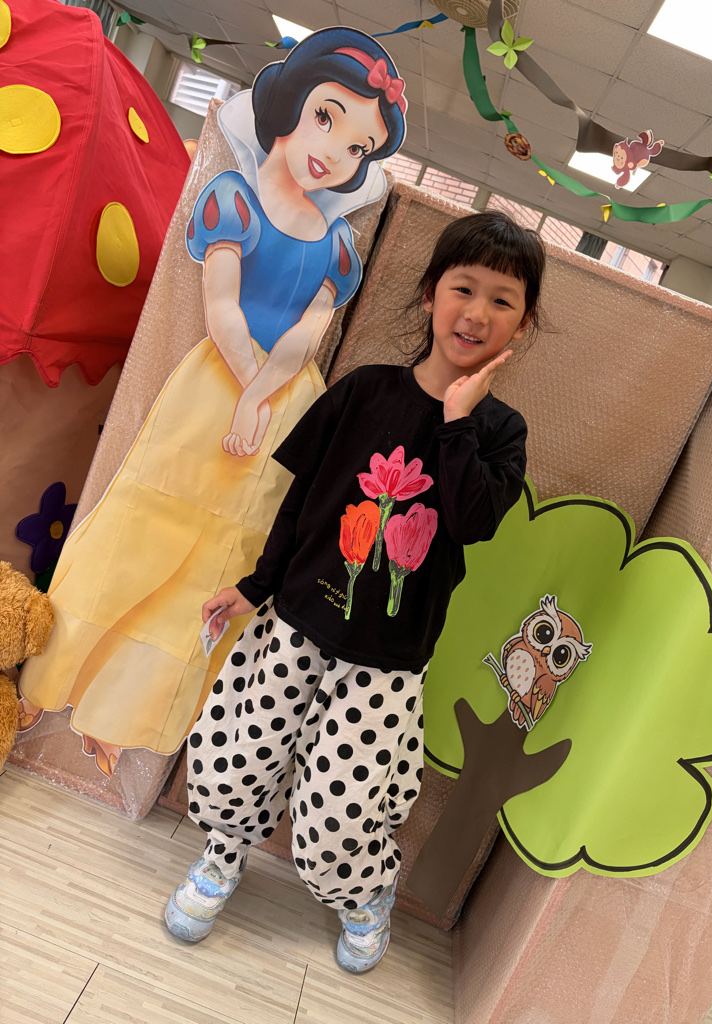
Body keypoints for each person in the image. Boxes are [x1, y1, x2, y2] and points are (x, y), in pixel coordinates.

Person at [18, 27, 406, 778]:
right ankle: (47, 680)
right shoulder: (232, 199)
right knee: (140, 524)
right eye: (327, 117)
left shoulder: (338, 244)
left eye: (358, 146)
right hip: (210, 388)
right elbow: (221, 305)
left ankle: (125, 720)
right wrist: (247, 389)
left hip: (284, 402)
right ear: (290, 105)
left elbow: (310, 334)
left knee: (221, 561)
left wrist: (261, 396)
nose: (334, 151)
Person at [165, 211, 547, 973]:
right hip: (296, 625)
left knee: (340, 816)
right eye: (463, 288)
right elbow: (301, 503)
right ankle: (221, 854)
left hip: (387, 661)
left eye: (502, 300)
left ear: (523, 324)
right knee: (241, 760)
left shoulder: (501, 432)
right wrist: (254, 586)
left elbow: (471, 521)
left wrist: (457, 422)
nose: (476, 313)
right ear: (431, 293)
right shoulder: (363, 390)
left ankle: (365, 891)